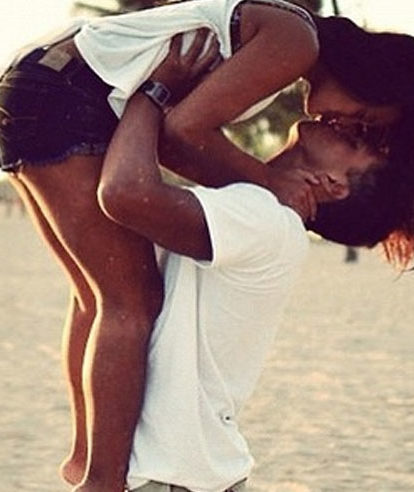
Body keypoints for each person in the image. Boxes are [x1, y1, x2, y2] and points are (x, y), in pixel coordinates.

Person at [1, 0, 414, 489]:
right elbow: (176, 136)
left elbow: (173, 139)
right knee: (129, 301)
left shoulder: (284, 47)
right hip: (67, 94)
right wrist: (269, 182)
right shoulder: (295, 43)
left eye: (359, 131)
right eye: (361, 117)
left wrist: (264, 187)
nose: (343, 122)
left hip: (44, 82)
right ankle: (100, 478)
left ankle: (86, 458)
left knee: (97, 295)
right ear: (371, 79)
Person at [94, 53, 412, 492]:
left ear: (334, 186)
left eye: (357, 144)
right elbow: (176, 147)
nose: (349, 128)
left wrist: (152, 92)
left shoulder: (263, 219)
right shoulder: (261, 212)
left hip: (173, 475)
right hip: (188, 471)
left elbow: (123, 192)